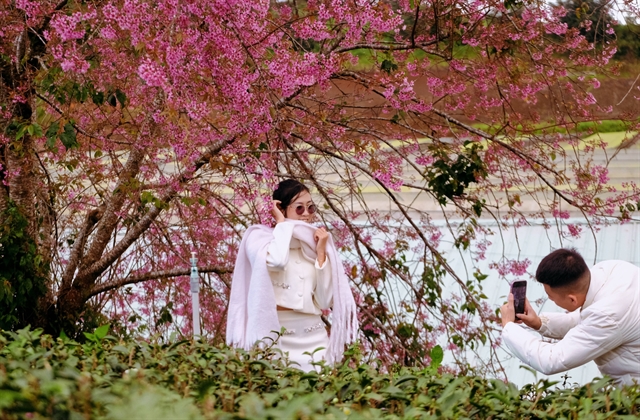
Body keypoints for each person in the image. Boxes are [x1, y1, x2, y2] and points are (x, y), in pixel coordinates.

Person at [226, 179, 358, 371]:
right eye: (299, 208)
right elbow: (277, 261)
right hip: (276, 339)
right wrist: (281, 223)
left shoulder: (314, 245)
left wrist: (321, 253)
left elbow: (324, 301)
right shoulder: (259, 239)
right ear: (280, 208)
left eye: (310, 208)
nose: (306, 214)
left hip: (315, 340)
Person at [500, 248, 640, 386]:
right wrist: (539, 323)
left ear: (572, 299)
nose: (550, 299)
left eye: (550, 296)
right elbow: (586, 321)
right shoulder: (613, 268)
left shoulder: (607, 315)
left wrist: (508, 327)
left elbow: (551, 360)